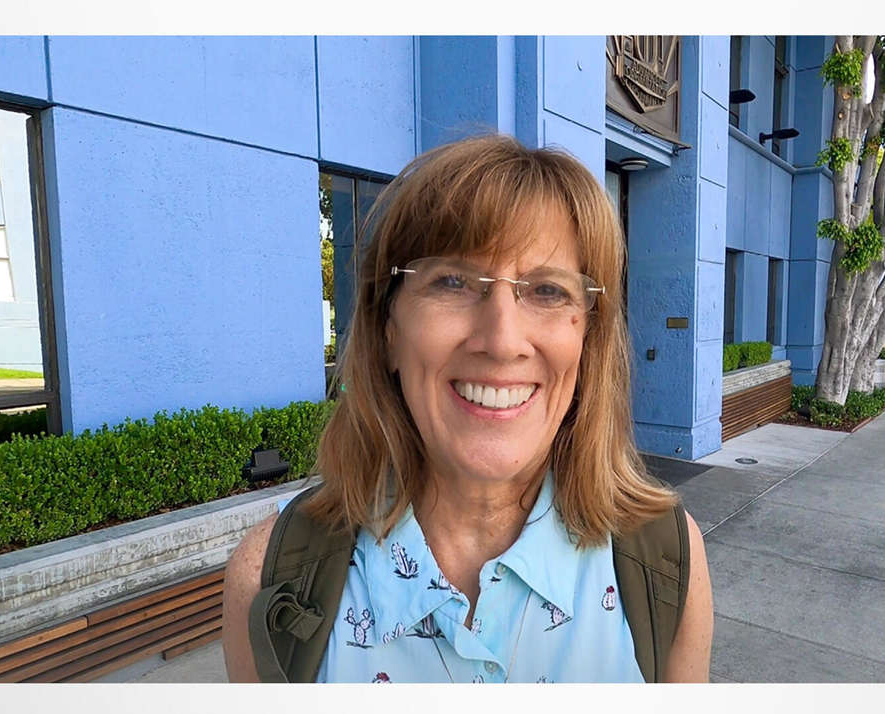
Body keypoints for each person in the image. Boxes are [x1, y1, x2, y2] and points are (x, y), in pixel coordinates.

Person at [220, 134, 713, 683]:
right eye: (452, 281)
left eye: (547, 291)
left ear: (587, 340)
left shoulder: (666, 564)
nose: (502, 341)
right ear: (388, 331)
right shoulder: (270, 581)